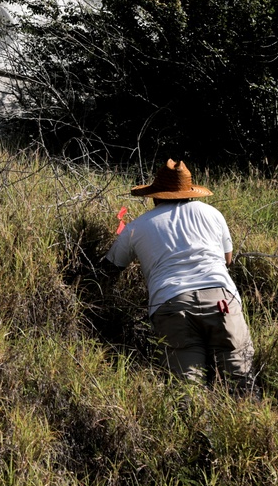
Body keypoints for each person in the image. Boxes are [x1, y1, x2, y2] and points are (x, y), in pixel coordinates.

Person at [105, 159, 254, 391]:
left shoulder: (137, 226)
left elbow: (110, 268)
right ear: (190, 192)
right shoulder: (213, 214)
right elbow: (227, 260)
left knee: (188, 392)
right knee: (239, 384)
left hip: (172, 305)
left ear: (155, 195)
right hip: (222, 300)